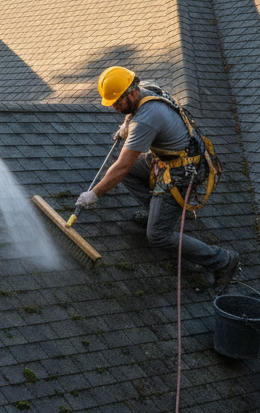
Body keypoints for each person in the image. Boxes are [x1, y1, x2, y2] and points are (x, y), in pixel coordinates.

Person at [76, 66, 239, 290]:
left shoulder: (146, 119)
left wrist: (94, 194)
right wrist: (126, 124)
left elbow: (122, 166)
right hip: (169, 158)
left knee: (158, 236)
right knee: (132, 170)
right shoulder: (145, 88)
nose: (115, 107)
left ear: (132, 93)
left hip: (182, 173)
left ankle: (222, 260)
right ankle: (159, 211)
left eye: (118, 102)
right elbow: (130, 152)